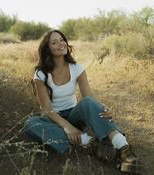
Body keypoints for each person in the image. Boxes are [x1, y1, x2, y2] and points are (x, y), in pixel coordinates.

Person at [24, 29, 143, 174]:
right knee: (30, 124)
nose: (60, 44)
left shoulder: (77, 68)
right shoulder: (41, 74)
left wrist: (103, 109)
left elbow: (89, 99)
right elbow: (47, 109)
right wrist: (67, 127)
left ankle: (124, 149)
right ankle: (90, 142)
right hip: (54, 118)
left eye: (62, 40)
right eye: (54, 42)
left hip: (75, 115)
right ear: (47, 49)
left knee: (87, 102)